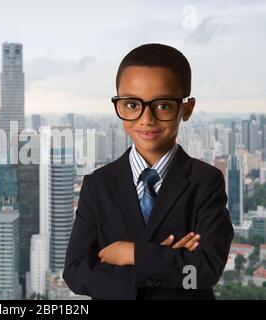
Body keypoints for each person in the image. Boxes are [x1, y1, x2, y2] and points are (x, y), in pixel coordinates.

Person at [62, 43, 234, 300]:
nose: (146, 119)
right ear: (119, 105)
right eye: (132, 105)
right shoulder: (98, 184)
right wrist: (165, 261)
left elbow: (205, 271)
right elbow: (76, 273)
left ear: (186, 109)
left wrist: (130, 253)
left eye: (163, 105)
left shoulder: (205, 182)